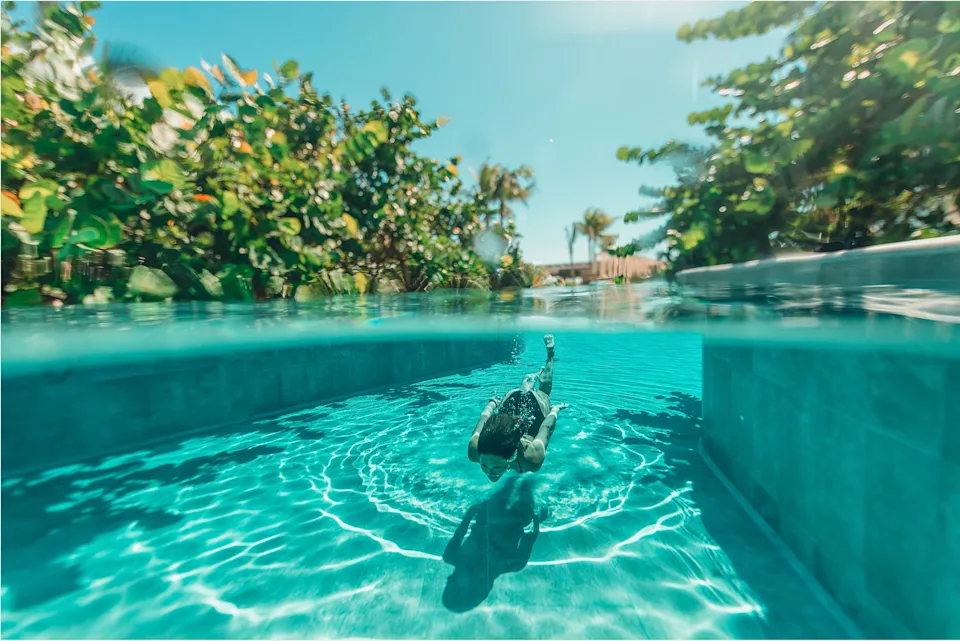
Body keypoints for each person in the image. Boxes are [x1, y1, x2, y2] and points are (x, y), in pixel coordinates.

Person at [467, 334, 568, 482]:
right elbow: (484, 419)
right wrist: (492, 403)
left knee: (545, 390)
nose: (490, 473)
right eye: (484, 466)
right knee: (523, 391)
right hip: (510, 405)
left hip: (534, 411)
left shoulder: (532, 458)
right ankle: (530, 380)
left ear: (511, 457)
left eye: (496, 467)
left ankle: (550, 356)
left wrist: (554, 410)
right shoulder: (475, 451)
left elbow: (546, 428)